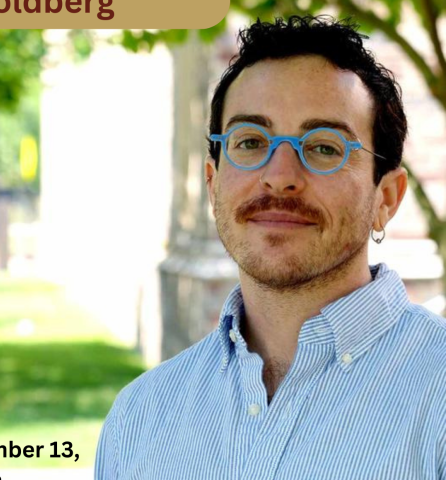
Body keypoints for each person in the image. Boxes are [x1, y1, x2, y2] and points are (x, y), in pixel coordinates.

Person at [95, 15, 446, 479]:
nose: (280, 175)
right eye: (251, 141)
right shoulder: (139, 418)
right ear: (213, 183)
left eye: (323, 147)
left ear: (386, 198)